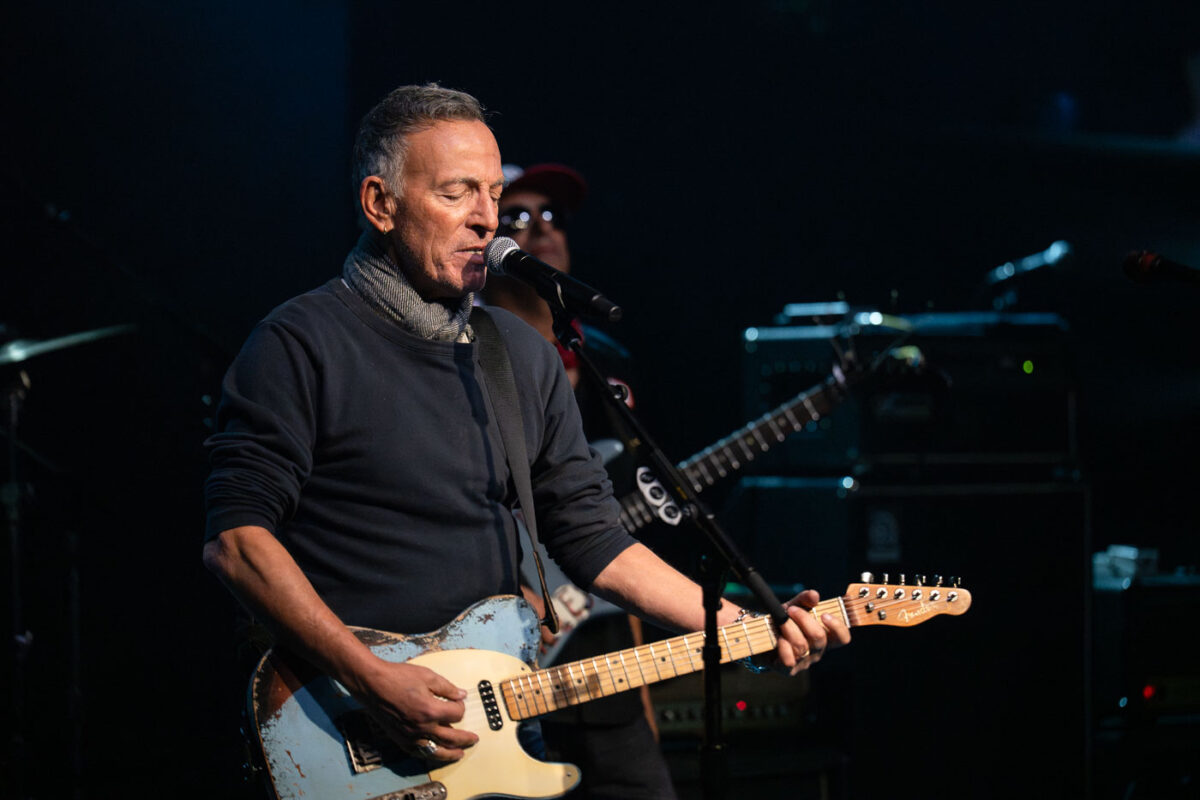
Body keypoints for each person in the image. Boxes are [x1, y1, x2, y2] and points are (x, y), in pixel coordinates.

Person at [201, 83, 846, 785]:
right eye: (457, 193)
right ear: (380, 205)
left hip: (486, 734)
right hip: (343, 727)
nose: (488, 220)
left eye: (490, 192)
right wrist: (371, 680)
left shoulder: (518, 354)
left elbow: (595, 539)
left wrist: (744, 622)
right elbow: (237, 543)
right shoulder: (299, 343)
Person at [483, 162, 674, 798]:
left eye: (551, 217)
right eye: (517, 218)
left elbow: (607, 522)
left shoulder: (604, 362)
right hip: (493, 656)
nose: (539, 232)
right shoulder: (457, 353)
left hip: (600, 653)